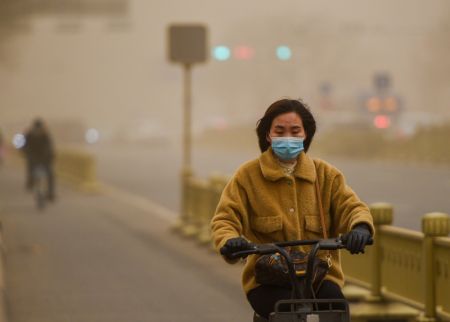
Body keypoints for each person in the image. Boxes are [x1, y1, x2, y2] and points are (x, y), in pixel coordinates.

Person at [210, 98, 374, 319]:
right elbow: (225, 219)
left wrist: (361, 228)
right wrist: (230, 241)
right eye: (280, 130)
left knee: (337, 309)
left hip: (318, 277)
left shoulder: (326, 175)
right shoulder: (247, 176)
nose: (288, 137)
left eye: (295, 131)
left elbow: (352, 206)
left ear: (306, 135)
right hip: (267, 280)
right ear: (268, 134)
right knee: (287, 312)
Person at [22, 118, 56, 200]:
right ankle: (49, 192)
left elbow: (50, 148)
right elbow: (25, 147)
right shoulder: (31, 135)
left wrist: (51, 156)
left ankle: (50, 192)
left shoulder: (44, 135)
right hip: (37, 158)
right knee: (47, 174)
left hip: (42, 159)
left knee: (49, 174)